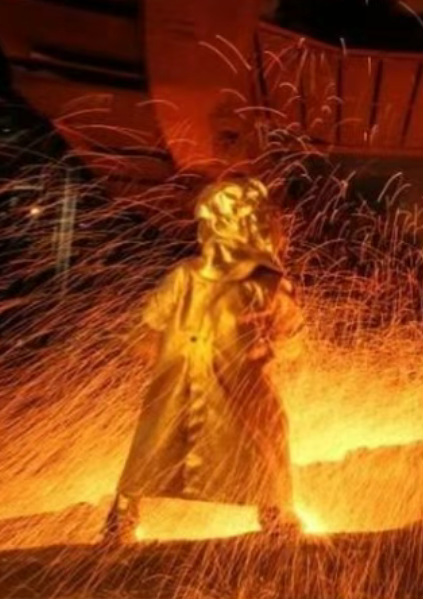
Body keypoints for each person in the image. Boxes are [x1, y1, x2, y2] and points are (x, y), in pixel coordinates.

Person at [102, 178, 303, 545]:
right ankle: (276, 514)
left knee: (154, 445)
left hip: (180, 381)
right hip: (244, 384)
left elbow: (146, 328)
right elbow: (290, 337)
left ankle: (122, 519)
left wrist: (163, 360)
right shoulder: (268, 283)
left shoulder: (185, 276)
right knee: (265, 438)